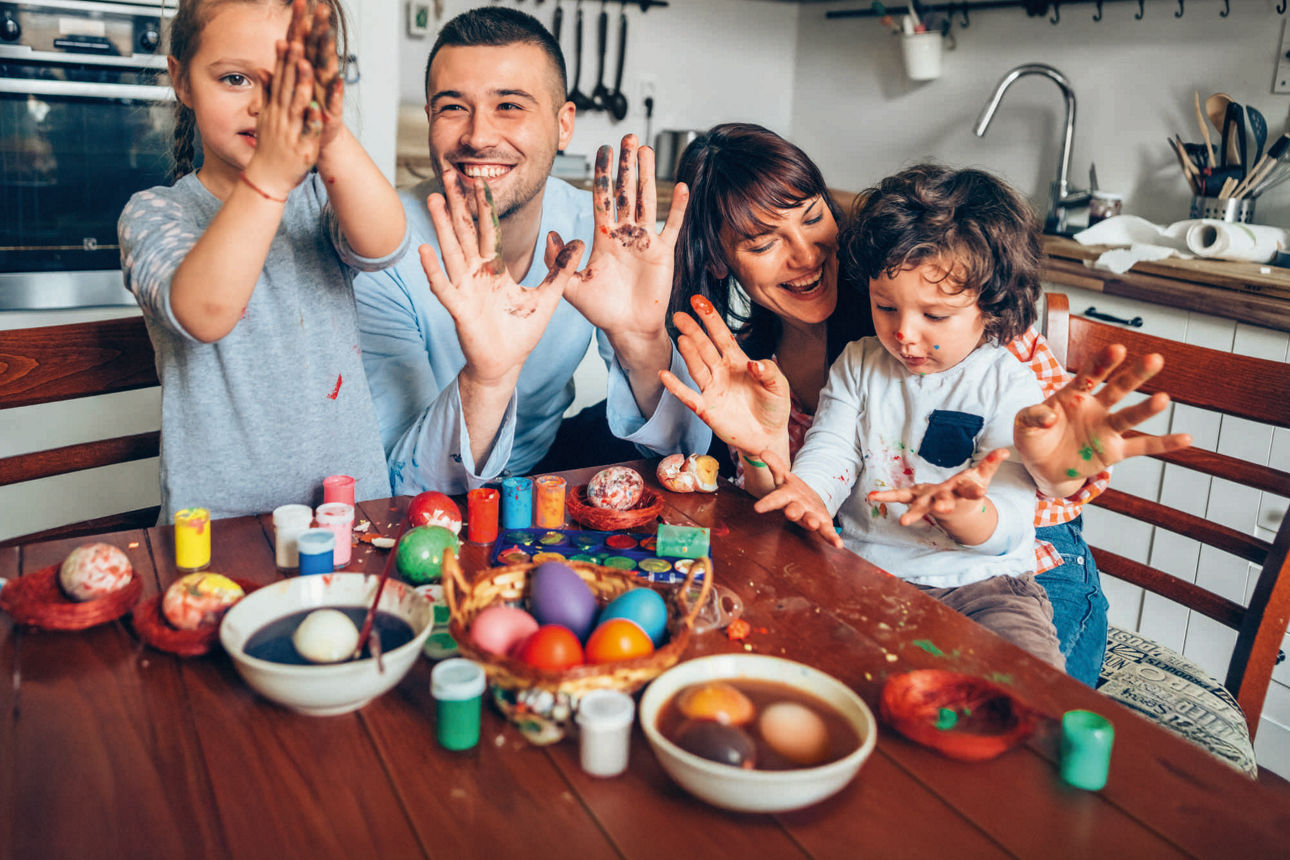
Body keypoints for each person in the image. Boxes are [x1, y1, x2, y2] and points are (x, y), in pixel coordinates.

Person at [660, 126, 1190, 684]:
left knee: (1017, 702)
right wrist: (792, 476)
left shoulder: (992, 352)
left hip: (999, 575)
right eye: (765, 242)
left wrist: (1026, 482)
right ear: (720, 260)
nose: (906, 334)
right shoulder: (823, 360)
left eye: (813, 217)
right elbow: (829, 454)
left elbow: (1025, 510)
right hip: (871, 569)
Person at [354, 7, 708, 496]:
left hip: (543, 468)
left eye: (510, 106)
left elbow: (686, 460)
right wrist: (487, 379)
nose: (478, 136)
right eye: (453, 107)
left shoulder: (598, 233)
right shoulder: (381, 249)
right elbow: (394, 484)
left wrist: (639, 338)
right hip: (429, 485)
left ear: (564, 125)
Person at [118, 0, 407, 520]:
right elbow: (204, 313)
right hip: (218, 531)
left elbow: (385, 243)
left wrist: (334, 137)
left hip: (348, 514)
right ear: (181, 81)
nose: (264, 107)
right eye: (235, 78)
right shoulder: (155, 214)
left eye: (289, 82)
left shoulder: (323, 199)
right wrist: (269, 177)